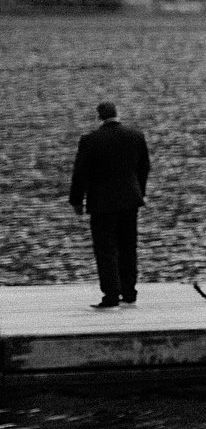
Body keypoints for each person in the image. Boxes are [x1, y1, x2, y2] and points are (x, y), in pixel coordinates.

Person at [69, 101, 151, 310]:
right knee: (128, 246)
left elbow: (80, 173)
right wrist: (140, 192)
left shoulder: (90, 140)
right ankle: (130, 292)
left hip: (102, 203)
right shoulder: (136, 136)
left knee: (106, 249)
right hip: (130, 201)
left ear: (99, 116)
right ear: (117, 114)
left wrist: (77, 200)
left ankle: (111, 295)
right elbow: (144, 168)